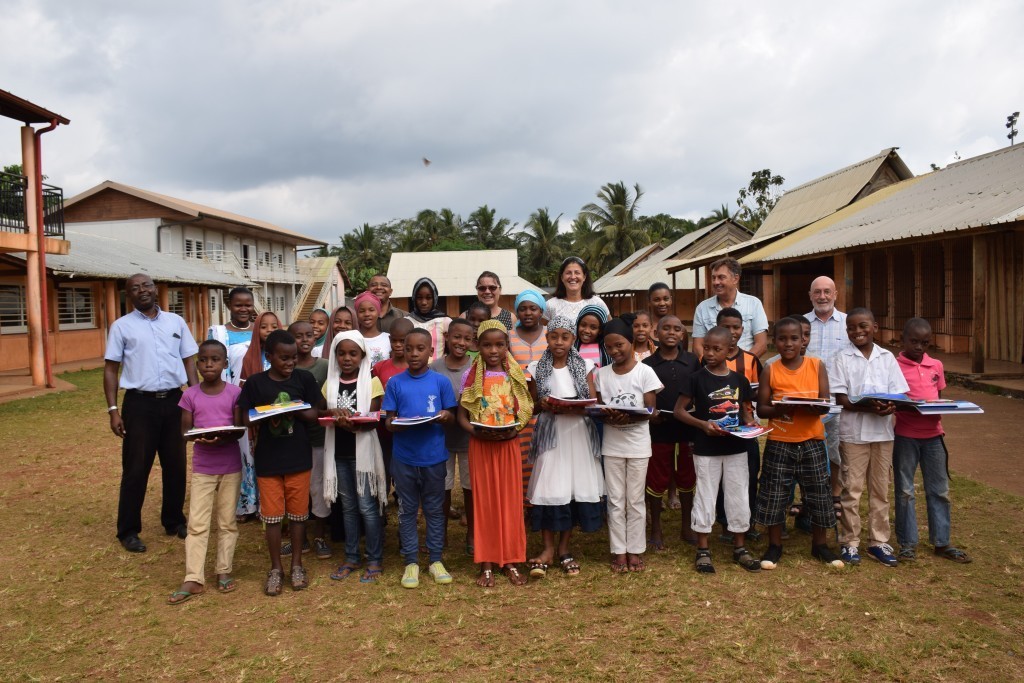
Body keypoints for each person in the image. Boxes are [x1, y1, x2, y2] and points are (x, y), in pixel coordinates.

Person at [104, 273, 198, 553]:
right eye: (134, 288)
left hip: (174, 402)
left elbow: (189, 362)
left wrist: (196, 400)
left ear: (155, 290)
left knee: (176, 465)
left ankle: (173, 521)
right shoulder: (121, 327)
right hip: (139, 405)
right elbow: (111, 369)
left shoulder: (176, 322)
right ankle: (128, 530)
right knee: (135, 469)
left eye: (146, 285)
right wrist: (113, 410)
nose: (141, 290)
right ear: (128, 295)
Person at [236, 330, 322, 595]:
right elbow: (244, 419)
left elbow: (314, 413)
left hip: (298, 457)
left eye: (293, 358)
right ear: (269, 356)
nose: (290, 363)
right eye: (283, 358)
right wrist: (268, 412)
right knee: (272, 517)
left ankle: (297, 564)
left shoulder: (304, 379)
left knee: (298, 515)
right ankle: (276, 568)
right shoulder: (255, 384)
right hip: (268, 459)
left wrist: (293, 407)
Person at [754, 318, 843, 569]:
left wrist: (809, 405)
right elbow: (762, 408)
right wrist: (783, 407)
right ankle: (774, 545)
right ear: (775, 341)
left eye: (795, 338)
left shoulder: (816, 366)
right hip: (780, 440)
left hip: (812, 440)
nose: (789, 343)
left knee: (818, 493)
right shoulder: (771, 369)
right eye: (782, 338)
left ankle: (820, 545)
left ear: (804, 340)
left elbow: (824, 402)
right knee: (775, 493)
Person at [673, 326, 760, 573]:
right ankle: (703, 548)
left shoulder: (739, 380)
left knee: (738, 494)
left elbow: (745, 410)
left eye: (716, 349)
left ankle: (740, 547)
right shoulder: (696, 378)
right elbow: (679, 411)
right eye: (706, 348)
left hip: (735, 447)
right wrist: (702, 425)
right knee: (706, 495)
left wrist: (751, 425)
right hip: (706, 447)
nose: (709, 353)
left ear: (729, 350)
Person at [457, 320, 535, 587]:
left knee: (510, 502)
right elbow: (462, 416)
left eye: (499, 345)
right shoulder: (471, 377)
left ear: (506, 347)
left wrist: (515, 430)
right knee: (485, 503)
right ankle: (487, 563)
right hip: (481, 446)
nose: (493, 350)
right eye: (487, 345)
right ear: (477, 346)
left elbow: (525, 409)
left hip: (508, 445)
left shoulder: (516, 375)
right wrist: (476, 432)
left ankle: (511, 560)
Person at [525, 315, 604, 577]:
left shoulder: (586, 365)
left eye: (565, 337)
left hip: (577, 434)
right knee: (550, 488)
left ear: (573, 339)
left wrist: (578, 405)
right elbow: (532, 404)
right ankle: (547, 548)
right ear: (546, 338)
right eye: (554, 336)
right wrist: (544, 405)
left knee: (571, 489)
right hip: (551, 435)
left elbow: (592, 401)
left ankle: (564, 549)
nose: (559, 342)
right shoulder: (536, 367)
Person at [831, 308, 909, 568]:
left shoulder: (887, 358)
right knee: (851, 490)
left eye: (863, 326)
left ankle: (879, 541)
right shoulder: (841, 358)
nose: (857, 332)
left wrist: (889, 407)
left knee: (880, 490)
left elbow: (898, 394)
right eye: (851, 328)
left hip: (883, 434)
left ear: (875, 326)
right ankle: (849, 542)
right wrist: (868, 407)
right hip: (852, 434)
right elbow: (841, 398)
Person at [168, 340, 244, 604]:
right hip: (203, 468)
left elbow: (239, 428)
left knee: (227, 522)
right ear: (197, 364)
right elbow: (185, 432)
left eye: (215, 360)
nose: (208, 364)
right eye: (203, 360)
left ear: (225, 363)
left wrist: (223, 438)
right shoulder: (190, 395)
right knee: (197, 524)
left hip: (231, 466)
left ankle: (224, 570)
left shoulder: (235, 393)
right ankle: (193, 577)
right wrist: (199, 438)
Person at [383, 328, 458, 588]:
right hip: (404, 458)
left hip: (434, 458)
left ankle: (436, 559)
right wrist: (394, 424)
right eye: (409, 348)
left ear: (431, 351)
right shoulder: (395, 382)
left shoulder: (440, 382)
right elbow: (389, 420)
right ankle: (411, 562)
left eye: (420, 349)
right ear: (401, 348)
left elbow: (450, 414)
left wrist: (445, 416)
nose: (414, 354)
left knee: (434, 510)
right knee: (406, 511)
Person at [893, 318, 971, 564]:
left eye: (925, 342)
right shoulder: (893, 365)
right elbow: (890, 399)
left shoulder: (936, 365)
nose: (919, 347)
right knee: (905, 491)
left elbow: (938, 397)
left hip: (933, 437)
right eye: (914, 341)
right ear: (903, 339)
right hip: (904, 436)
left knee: (940, 490)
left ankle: (942, 542)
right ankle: (907, 543)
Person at [594, 318, 663, 573]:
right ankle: (618, 551)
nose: (614, 351)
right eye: (609, 347)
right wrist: (608, 414)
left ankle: (635, 550)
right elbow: (599, 407)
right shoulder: (602, 374)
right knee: (615, 499)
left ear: (632, 343)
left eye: (619, 345)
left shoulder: (645, 372)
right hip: (611, 445)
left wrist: (631, 415)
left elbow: (651, 409)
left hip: (638, 445)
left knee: (635, 499)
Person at [322, 331, 388, 583]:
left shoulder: (371, 382)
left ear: (363, 356)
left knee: (367, 508)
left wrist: (352, 423)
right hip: (339, 454)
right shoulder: (330, 383)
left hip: (364, 455)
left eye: (353, 353)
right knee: (347, 508)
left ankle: (374, 559)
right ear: (335, 356)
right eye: (341, 353)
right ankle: (351, 556)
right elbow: (321, 411)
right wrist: (330, 411)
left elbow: (373, 420)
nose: (347, 358)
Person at [645, 315, 700, 549]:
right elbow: (643, 397)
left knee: (687, 479)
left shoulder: (692, 361)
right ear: (656, 333)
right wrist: (651, 413)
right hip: (659, 431)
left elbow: (699, 392)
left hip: (686, 430)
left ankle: (687, 525)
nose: (671, 332)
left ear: (682, 334)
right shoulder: (647, 365)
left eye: (677, 329)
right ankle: (656, 528)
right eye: (665, 328)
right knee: (656, 480)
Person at [804, 276, 852, 515]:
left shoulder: (848, 324)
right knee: (807, 451)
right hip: (808, 402)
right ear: (810, 295)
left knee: (836, 452)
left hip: (839, 400)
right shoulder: (801, 324)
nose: (822, 296)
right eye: (817, 292)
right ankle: (806, 499)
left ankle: (834, 495)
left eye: (827, 292)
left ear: (836, 294)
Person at [715, 307, 764, 538]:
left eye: (736, 328)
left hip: (746, 430)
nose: (732, 332)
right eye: (726, 327)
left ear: (742, 330)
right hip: (718, 430)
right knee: (722, 478)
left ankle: (748, 522)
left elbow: (761, 392)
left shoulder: (752, 360)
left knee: (749, 474)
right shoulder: (709, 359)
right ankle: (724, 523)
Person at [284, 321, 331, 559]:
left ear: (316, 339)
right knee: (296, 489)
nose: (304, 340)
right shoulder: (284, 368)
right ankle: (298, 539)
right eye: (298, 336)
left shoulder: (325, 366)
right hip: (291, 440)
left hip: (319, 437)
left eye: (309, 335)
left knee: (319, 486)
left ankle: (320, 535)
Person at [429, 319, 476, 554]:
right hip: (441, 439)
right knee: (442, 488)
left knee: (470, 488)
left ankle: (473, 536)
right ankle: (440, 535)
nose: (461, 343)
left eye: (467, 339)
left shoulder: (478, 366)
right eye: (457, 337)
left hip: (470, 438)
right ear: (447, 337)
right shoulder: (435, 367)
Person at [237, 311, 281, 520]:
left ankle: (271, 505)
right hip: (255, 418)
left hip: (281, 416)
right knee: (250, 460)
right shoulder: (251, 355)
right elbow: (244, 389)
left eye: (274, 326)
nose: (269, 330)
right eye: (264, 326)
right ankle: (249, 505)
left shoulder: (287, 354)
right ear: (256, 330)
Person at [509, 289, 549, 508]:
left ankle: (542, 502)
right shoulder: (508, 336)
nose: (527, 313)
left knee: (543, 453)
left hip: (545, 404)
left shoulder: (550, 333)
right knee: (522, 455)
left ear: (541, 311)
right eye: (522, 308)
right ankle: (524, 502)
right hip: (519, 403)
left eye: (533, 308)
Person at [692, 257, 768, 359]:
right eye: (713, 277)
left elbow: (761, 345)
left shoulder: (753, 304)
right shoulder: (702, 308)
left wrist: (741, 364)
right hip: (713, 370)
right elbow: (697, 346)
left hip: (745, 370)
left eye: (721, 277)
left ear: (735, 279)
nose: (716, 282)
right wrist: (714, 367)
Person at [207, 286, 255, 385]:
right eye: (238, 305)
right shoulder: (218, 334)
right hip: (231, 392)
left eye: (248, 305)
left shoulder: (260, 331)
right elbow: (211, 365)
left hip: (262, 392)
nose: (243, 309)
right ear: (229, 306)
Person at [544, 256, 609, 323]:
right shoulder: (550, 305)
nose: (573, 277)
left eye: (577, 273)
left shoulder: (597, 303)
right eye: (568, 273)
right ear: (562, 277)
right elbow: (542, 331)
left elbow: (611, 329)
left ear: (584, 277)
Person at [408, 277, 451, 363]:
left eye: (428, 298)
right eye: (419, 298)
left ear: (434, 298)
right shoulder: (407, 322)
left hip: (439, 372)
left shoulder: (445, 321)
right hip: (415, 372)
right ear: (414, 298)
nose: (424, 302)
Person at [353, 291, 391, 366]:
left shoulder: (388, 339)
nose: (367, 314)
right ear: (356, 314)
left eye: (371, 310)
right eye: (362, 311)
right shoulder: (353, 339)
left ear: (378, 312)